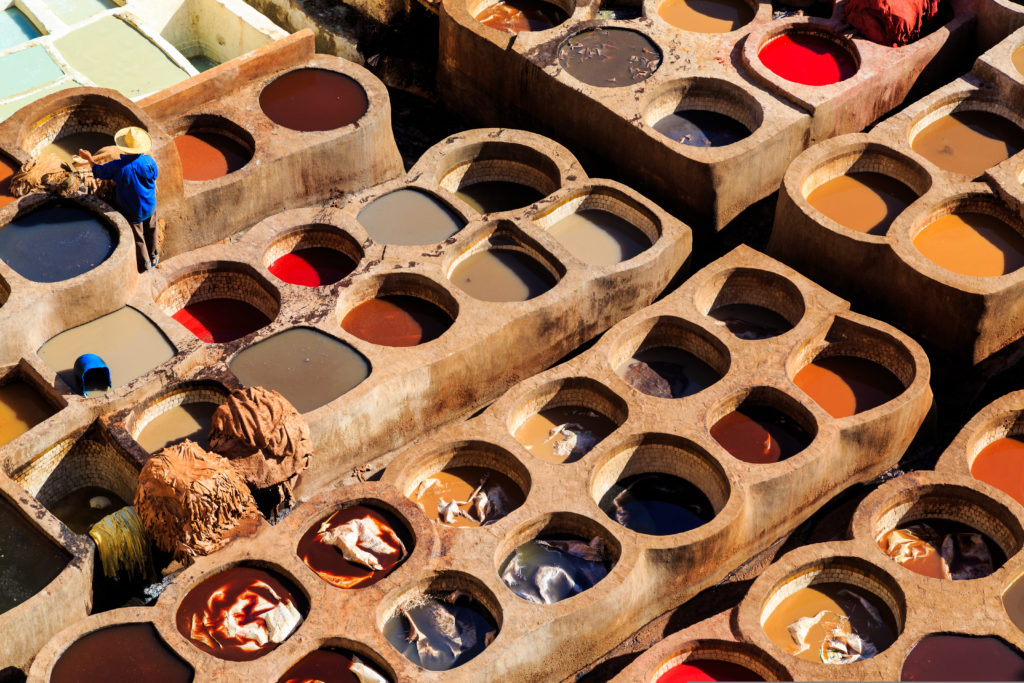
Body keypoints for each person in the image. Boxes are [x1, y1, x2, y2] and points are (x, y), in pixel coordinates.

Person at [79, 126, 159, 271]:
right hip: (150, 204)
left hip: (132, 209)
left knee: (138, 237)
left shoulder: (118, 166)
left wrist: (89, 158)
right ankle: (154, 256)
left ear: (123, 147)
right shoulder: (149, 161)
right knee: (152, 228)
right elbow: (154, 176)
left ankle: (145, 264)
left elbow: (99, 171)